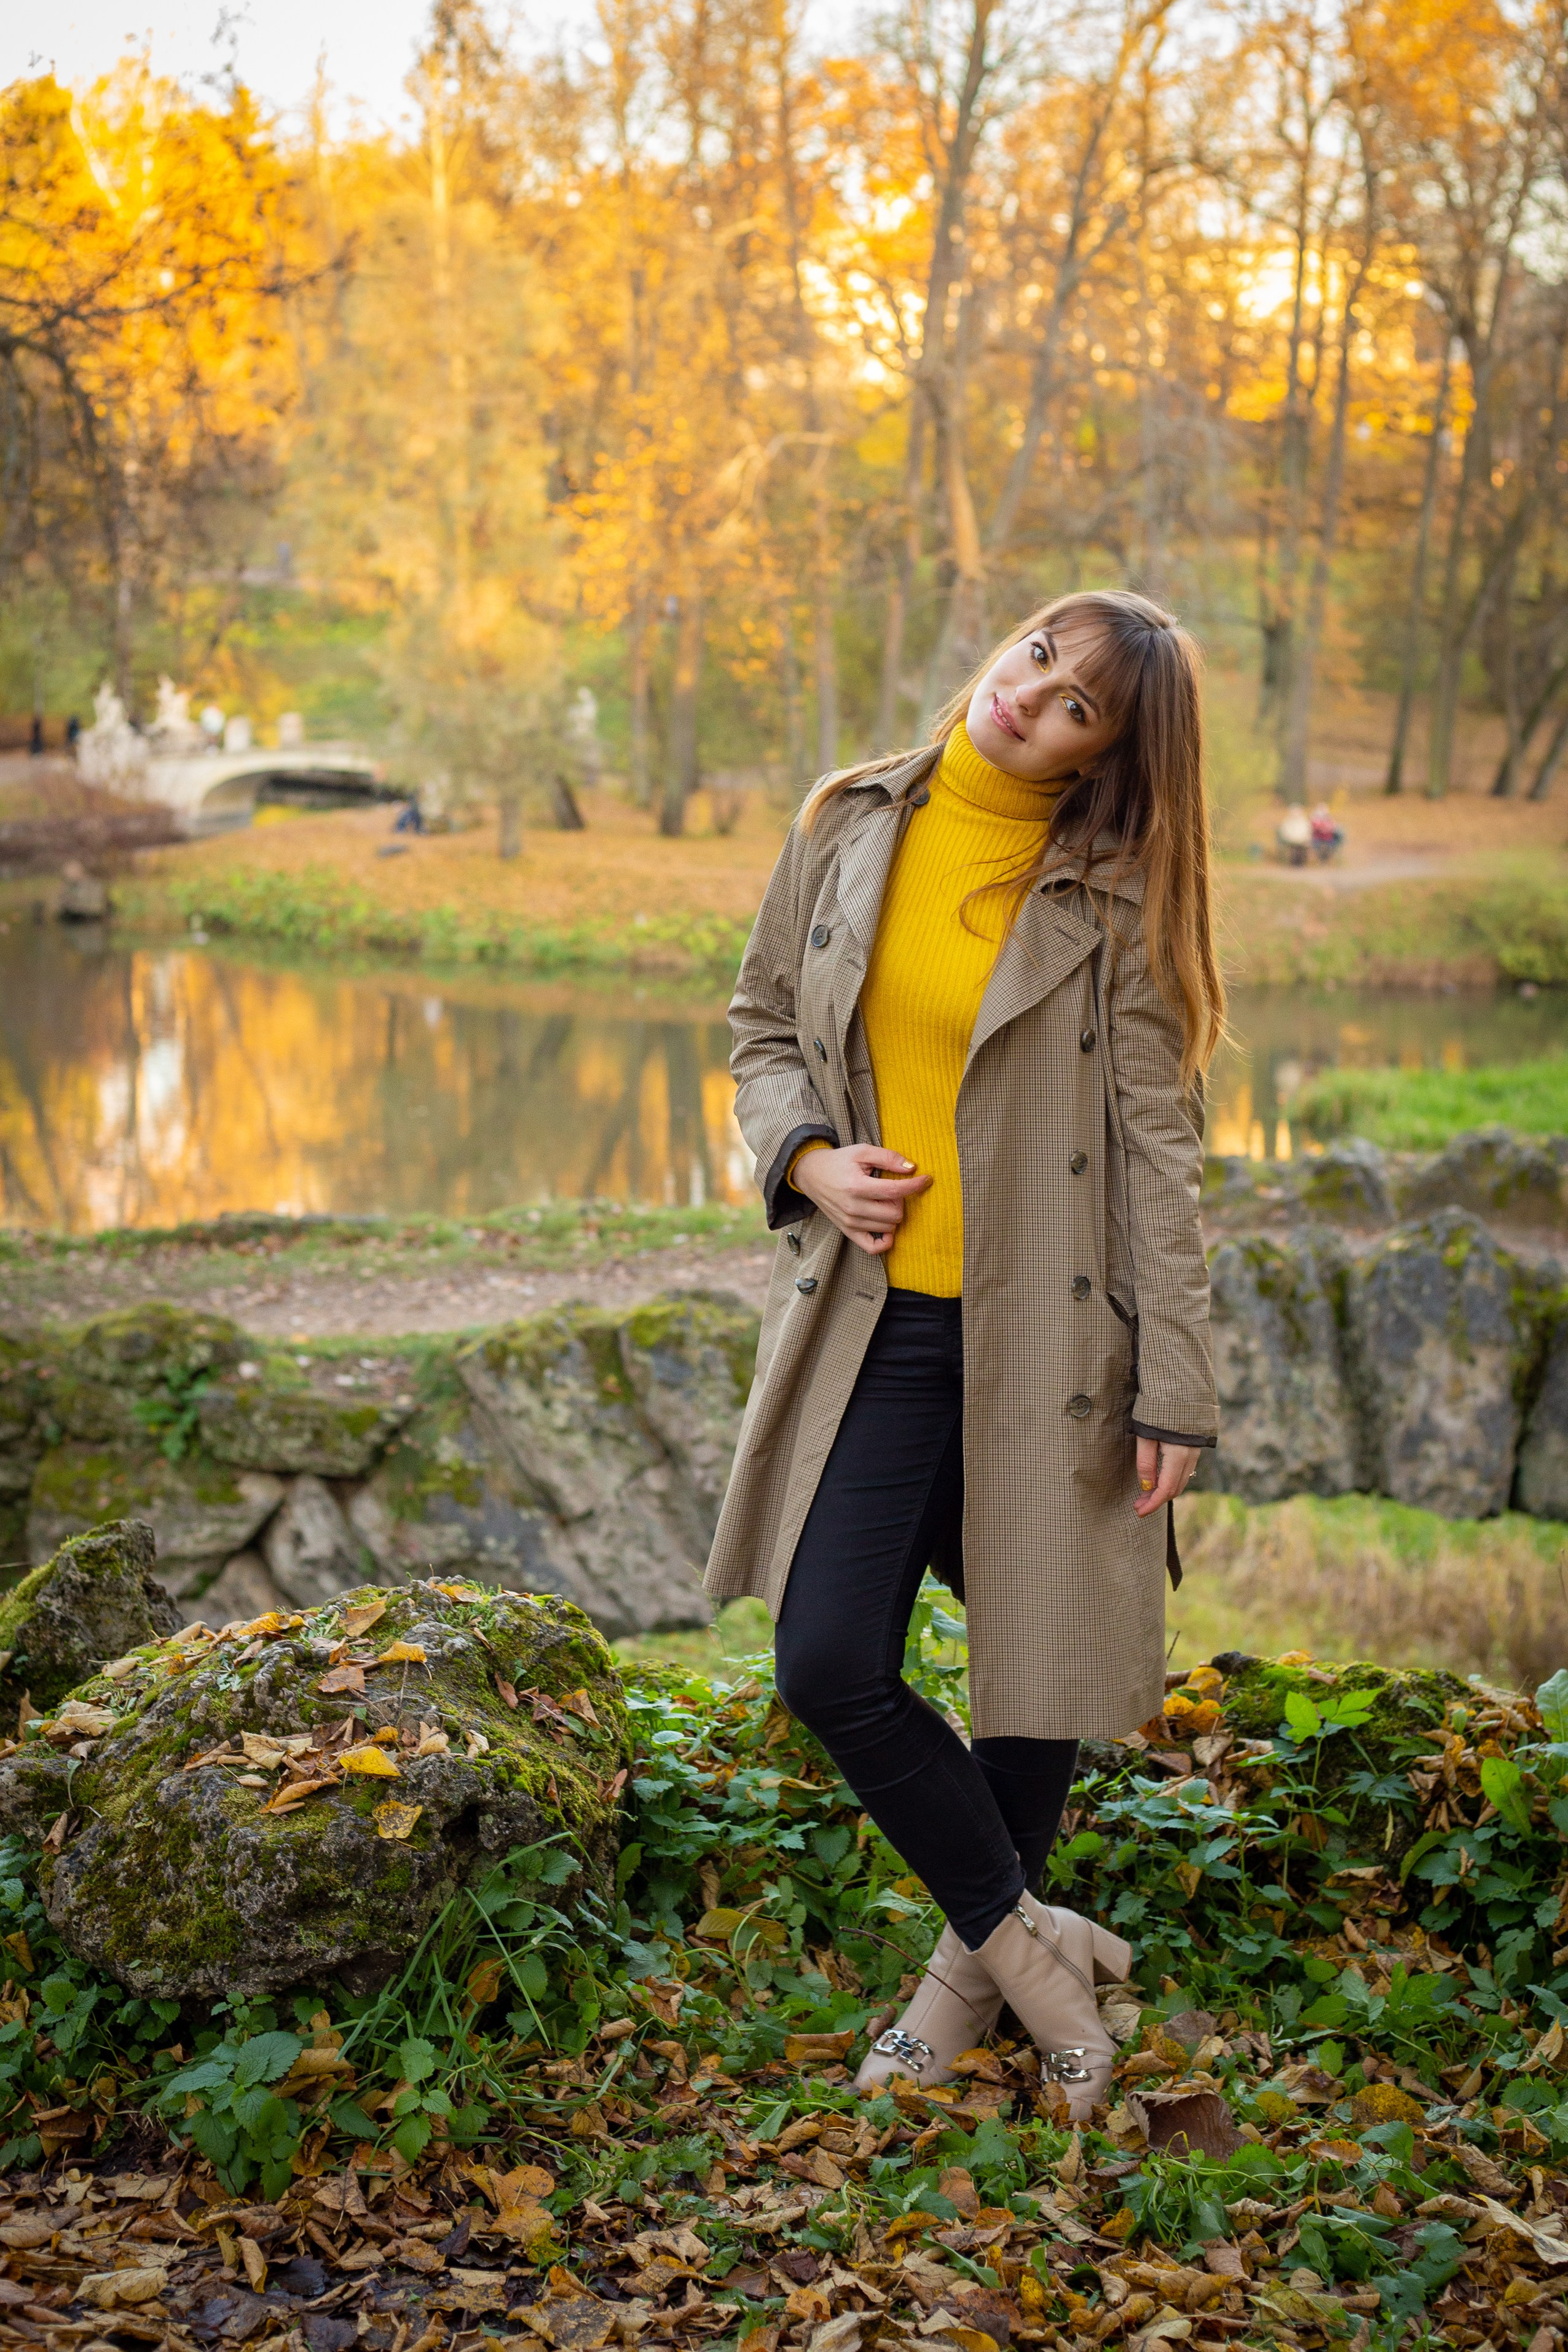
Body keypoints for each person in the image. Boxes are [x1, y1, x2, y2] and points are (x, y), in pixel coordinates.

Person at [705, 590, 1222, 2118]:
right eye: (1033, 660)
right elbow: (757, 1026)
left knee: (1031, 1659)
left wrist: (1176, 1380)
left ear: (1107, 760)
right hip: (878, 1326)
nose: (1028, 699)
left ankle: (960, 1984)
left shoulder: (1112, 894)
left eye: (1075, 707)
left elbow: (1158, 1146)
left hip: (1052, 1339)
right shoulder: (852, 816)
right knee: (830, 1660)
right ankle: (1036, 1949)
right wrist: (805, 1155)